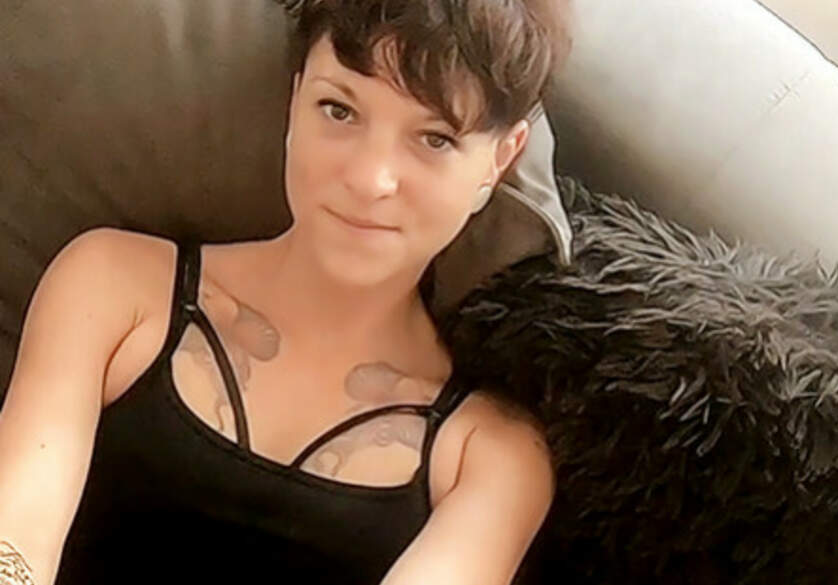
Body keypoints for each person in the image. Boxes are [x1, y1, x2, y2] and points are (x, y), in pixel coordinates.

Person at [0, 1, 572, 583]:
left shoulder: (490, 456)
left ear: (499, 160)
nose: (369, 179)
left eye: (434, 138)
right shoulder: (114, 286)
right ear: (296, 100)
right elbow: (14, 538)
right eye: (339, 110)